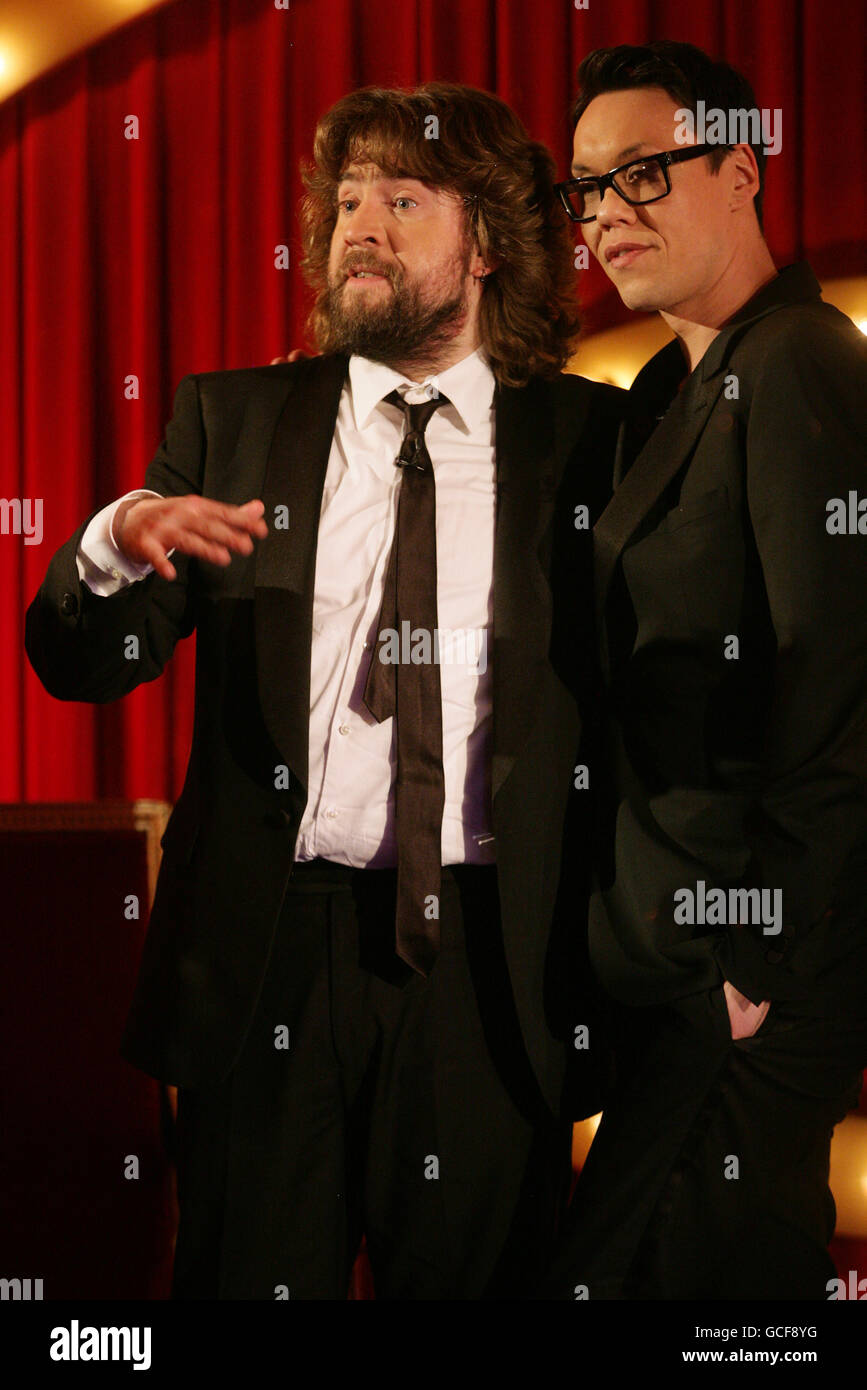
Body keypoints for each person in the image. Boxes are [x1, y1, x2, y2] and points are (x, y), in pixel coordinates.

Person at [25, 81, 624, 1300]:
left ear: (492, 240)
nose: (359, 223)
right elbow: (85, 665)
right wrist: (111, 542)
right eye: (347, 198)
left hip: (491, 970)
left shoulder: (591, 443)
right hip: (266, 962)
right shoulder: (230, 419)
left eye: (404, 199)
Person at [543, 40, 867, 1300]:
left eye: (641, 174)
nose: (606, 215)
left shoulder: (799, 359)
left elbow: (839, 687)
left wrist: (755, 966)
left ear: (741, 169)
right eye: (585, 188)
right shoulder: (686, 381)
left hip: (747, 977)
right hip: (678, 961)